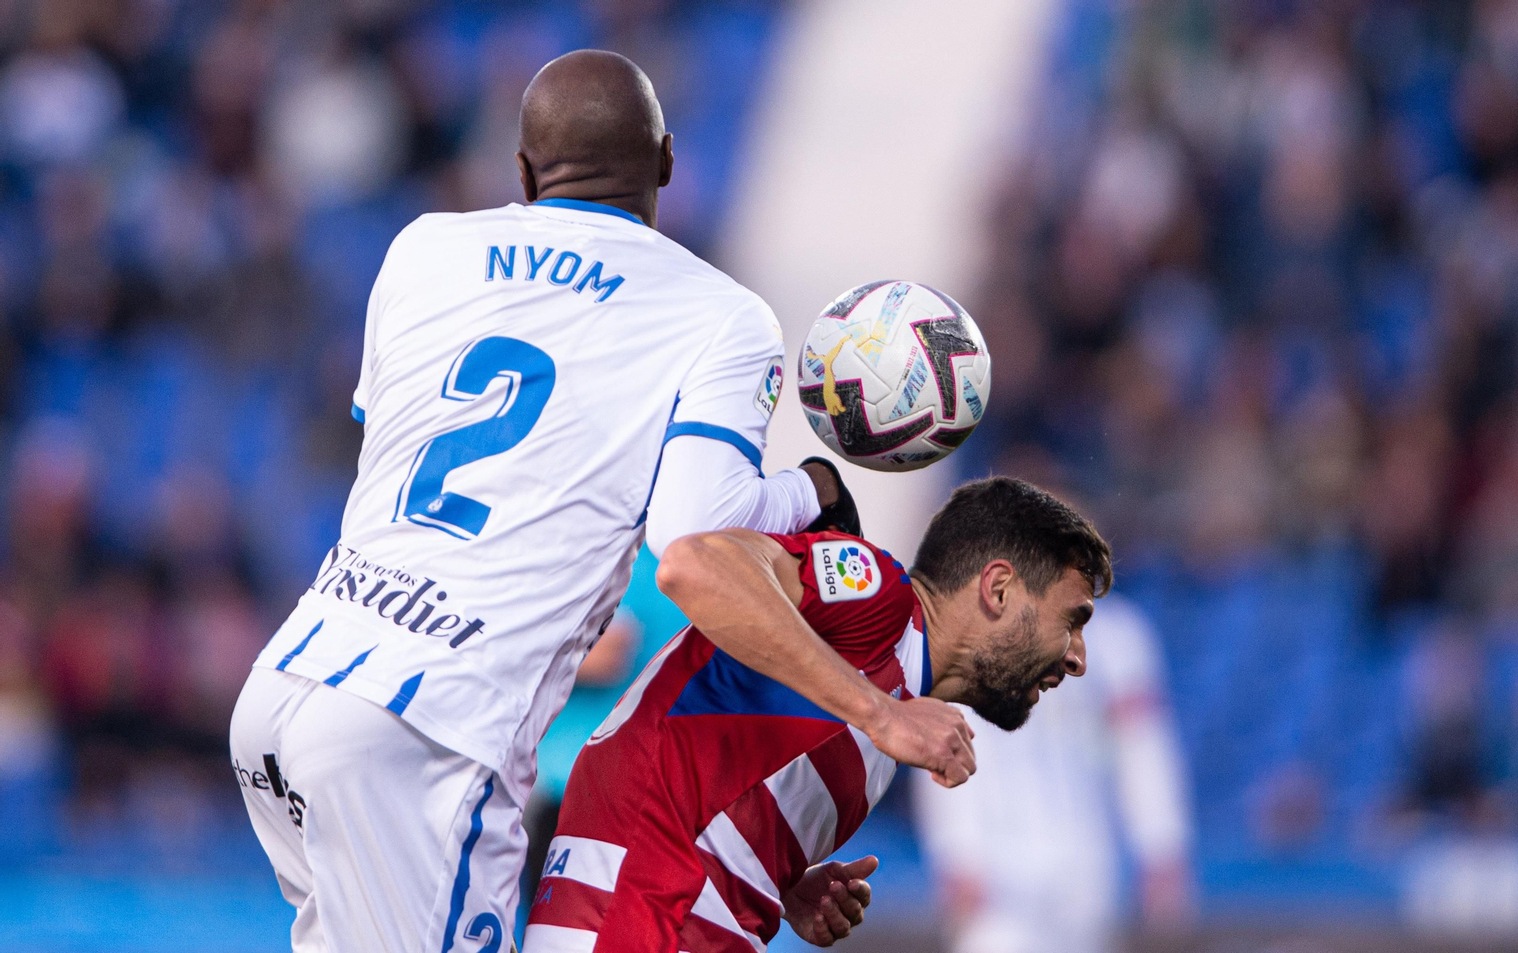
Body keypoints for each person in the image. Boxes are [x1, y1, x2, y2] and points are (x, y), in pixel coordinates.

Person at [228, 50, 971, 953]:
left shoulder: (420, 249)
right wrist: (808, 490)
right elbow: (694, 531)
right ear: (665, 161)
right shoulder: (716, 313)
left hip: (289, 684)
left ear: (524, 172)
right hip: (428, 729)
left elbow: (395, 432)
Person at [526, 477, 1114, 953]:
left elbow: (711, 760)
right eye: (1074, 619)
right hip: (638, 918)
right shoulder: (879, 597)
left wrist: (776, 876)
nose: (1080, 657)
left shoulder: (895, 696)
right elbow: (694, 564)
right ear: (1000, 588)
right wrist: (879, 713)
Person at [912, 593, 1194, 953]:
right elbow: (943, 745)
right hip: (997, 867)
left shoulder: (1116, 636)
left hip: (1088, 865)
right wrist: (957, 853)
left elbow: (1142, 752)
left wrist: (1161, 847)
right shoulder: (964, 633)